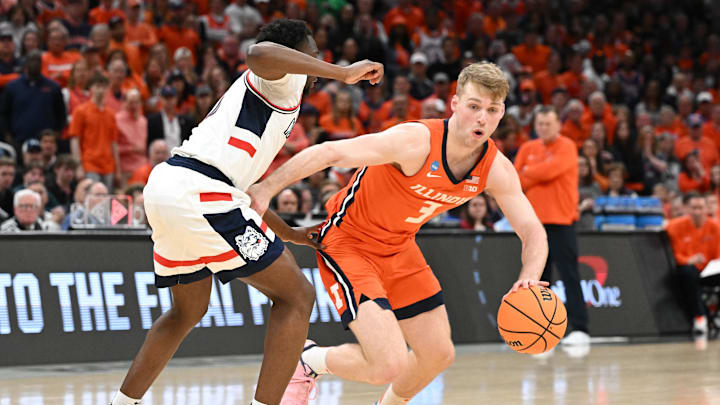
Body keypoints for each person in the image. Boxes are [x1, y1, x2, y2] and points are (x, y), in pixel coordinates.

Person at [110, 19, 383, 405]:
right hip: (199, 190)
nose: (317, 61)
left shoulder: (280, 96)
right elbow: (258, 52)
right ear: (298, 56)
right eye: (313, 54)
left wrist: (288, 232)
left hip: (175, 187)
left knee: (187, 312)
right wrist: (343, 73)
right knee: (296, 296)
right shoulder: (280, 79)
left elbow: (239, 191)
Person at [247, 62, 548, 405]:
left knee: (438, 354)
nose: (482, 118)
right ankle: (309, 361)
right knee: (388, 364)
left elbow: (532, 230)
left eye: (492, 110)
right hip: (350, 243)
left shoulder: (496, 168)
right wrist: (268, 187)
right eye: (474, 106)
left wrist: (529, 276)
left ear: (502, 113)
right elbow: (331, 152)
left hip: (400, 248)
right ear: (455, 104)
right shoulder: (415, 141)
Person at [514, 106, 590, 346]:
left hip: (561, 221)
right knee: (536, 280)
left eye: (548, 123)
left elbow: (550, 171)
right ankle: (538, 330)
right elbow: (516, 179)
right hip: (534, 225)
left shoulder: (567, 146)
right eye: (540, 124)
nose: (544, 128)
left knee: (570, 276)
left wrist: (531, 171)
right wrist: (532, 173)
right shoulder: (528, 148)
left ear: (558, 125)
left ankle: (580, 329)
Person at [666, 193, 720, 336]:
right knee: (689, 273)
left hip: (710, 271)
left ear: (706, 208)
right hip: (688, 271)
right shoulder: (674, 226)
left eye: (700, 208)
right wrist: (688, 260)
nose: (697, 212)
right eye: (693, 208)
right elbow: (673, 254)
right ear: (686, 209)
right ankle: (700, 318)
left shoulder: (715, 227)